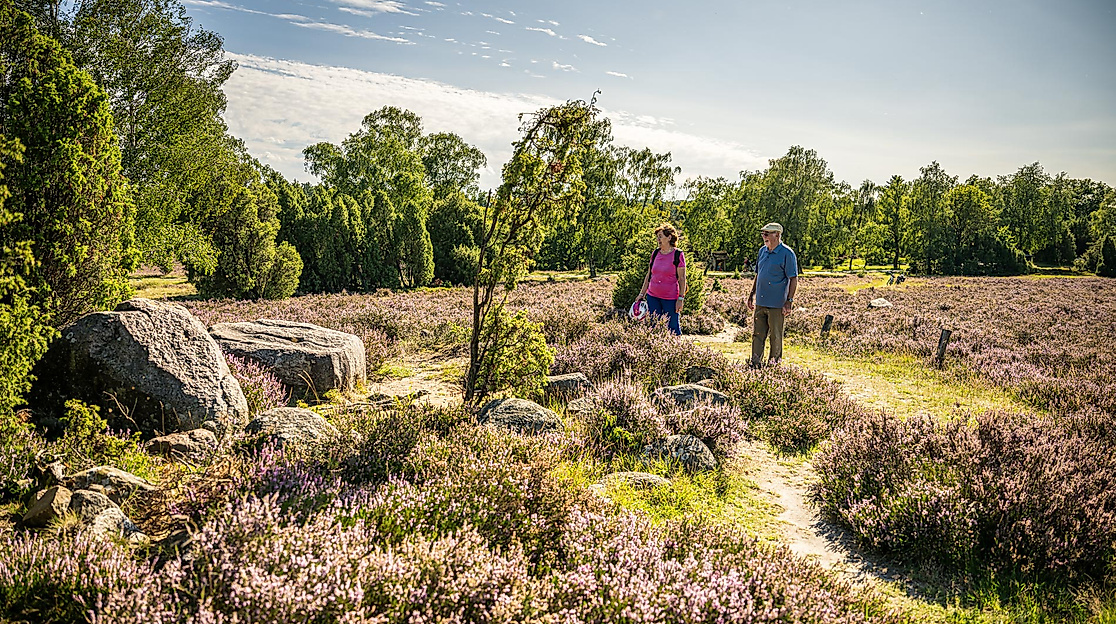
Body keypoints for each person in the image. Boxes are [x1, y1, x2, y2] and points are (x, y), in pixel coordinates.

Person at [747, 222, 798, 366]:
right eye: (763, 233)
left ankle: (774, 367)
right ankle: (755, 364)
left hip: (777, 303)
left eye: (767, 233)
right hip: (761, 301)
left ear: (777, 234)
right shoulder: (762, 251)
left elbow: (793, 278)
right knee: (757, 335)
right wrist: (751, 295)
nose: (764, 236)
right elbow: (758, 274)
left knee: (775, 336)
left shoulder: (787, 253)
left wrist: (789, 301)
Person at [637, 223, 687, 335]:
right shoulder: (655, 253)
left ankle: (677, 350)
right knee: (653, 326)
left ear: (669, 237)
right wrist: (641, 294)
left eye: (660, 236)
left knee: (673, 328)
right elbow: (649, 275)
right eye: (657, 237)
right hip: (652, 296)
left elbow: (682, 279)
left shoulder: (677, 254)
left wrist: (681, 298)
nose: (658, 239)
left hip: (670, 298)